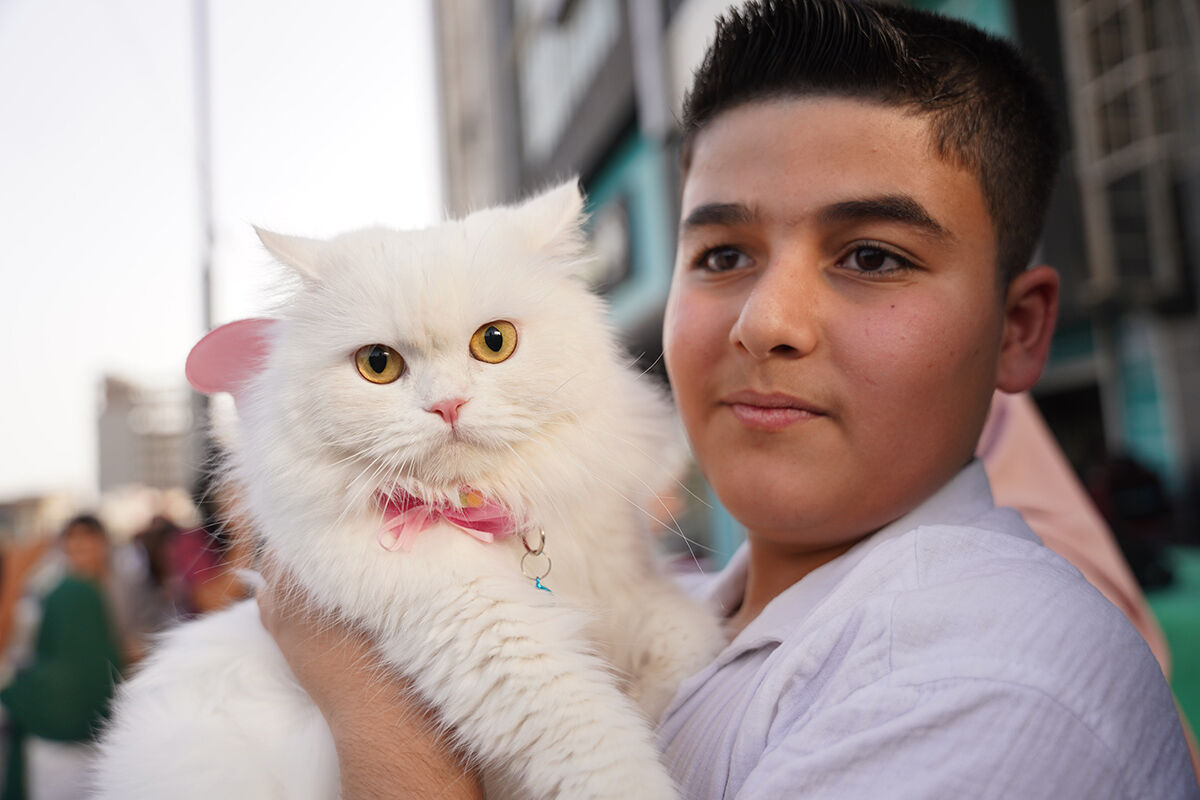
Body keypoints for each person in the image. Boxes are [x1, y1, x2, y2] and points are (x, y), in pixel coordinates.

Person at [257, 1, 1198, 796]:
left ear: (1019, 329)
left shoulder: (990, 679)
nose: (764, 322)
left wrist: (368, 711)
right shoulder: (700, 602)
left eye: (872, 256)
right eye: (723, 256)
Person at [0, 515, 124, 800]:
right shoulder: (63, 591)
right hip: (60, 735)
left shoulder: (109, 588)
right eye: (74, 541)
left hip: (91, 733)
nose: (81, 549)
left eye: (89, 541)